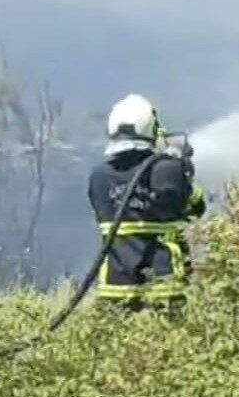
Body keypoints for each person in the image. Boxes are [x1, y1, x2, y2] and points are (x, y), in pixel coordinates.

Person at [88, 94, 206, 313]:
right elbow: (195, 206)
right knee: (169, 341)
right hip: (163, 278)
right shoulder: (166, 169)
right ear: (150, 129)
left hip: (115, 282)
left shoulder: (99, 176)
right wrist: (183, 173)